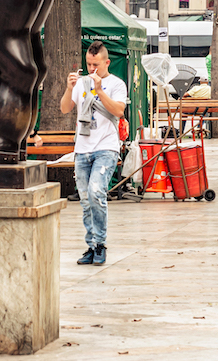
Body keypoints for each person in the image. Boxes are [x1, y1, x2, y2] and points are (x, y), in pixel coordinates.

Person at [60, 41, 127, 266]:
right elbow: (64, 109)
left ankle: (100, 244)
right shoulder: (81, 83)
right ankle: (90, 246)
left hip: (106, 147)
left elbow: (118, 110)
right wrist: (70, 88)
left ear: (106, 63)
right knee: (86, 200)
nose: (92, 69)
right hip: (82, 148)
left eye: (96, 64)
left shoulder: (116, 84)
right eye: (88, 64)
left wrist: (99, 90)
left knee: (96, 191)